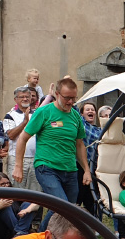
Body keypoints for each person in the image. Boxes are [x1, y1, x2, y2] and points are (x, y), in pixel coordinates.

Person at [13, 77, 91, 230]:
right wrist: (18, 165)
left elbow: (79, 144)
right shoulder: (44, 112)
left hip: (70, 170)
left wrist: (86, 170)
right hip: (47, 167)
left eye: (73, 98)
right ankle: (38, 237)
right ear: (57, 94)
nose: (70, 102)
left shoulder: (75, 116)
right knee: (62, 206)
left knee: (70, 211)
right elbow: (22, 138)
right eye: (67, 98)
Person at [3, 86, 41, 192]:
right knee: (17, 190)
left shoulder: (38, 114)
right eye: (21, 97)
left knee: (36, 192)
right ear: (16, 99)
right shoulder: (10, 116)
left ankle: (32, 209)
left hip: (35, 159)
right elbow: (11, 135)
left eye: (27, 97)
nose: (25, 99)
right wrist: (24, 122)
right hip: (17, 159)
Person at [0, 171, 39, 239]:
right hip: (0, 231)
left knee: (27, 204)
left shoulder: (14, 195)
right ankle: (20, 232)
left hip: (15, 229)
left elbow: (36, 203)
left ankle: (19, 232)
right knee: (5, 204)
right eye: (2, 184)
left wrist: (27, 210)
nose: (6, 186)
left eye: (8, 183)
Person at [77, 101, 101, 214]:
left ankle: (92, 227)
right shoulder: (81, 124)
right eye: (87, 109)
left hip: (94, 168)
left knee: (92, 199)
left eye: (92, 109)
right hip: (80, 166)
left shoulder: (100, 131)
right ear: (82, 114)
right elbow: (74, 110)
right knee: (77, 197)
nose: (90, 111)